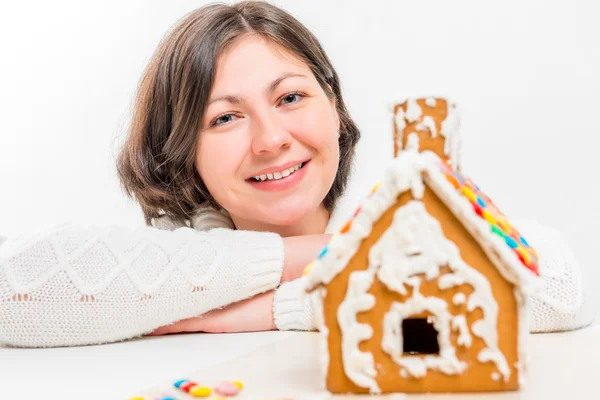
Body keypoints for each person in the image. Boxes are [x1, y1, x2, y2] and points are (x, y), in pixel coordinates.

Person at [0, 1, 592, 348]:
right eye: (225, 117)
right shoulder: (165, 268)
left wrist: (267, 312)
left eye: (289, 98)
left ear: (333, 107)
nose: (271, 139)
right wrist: (343, 255)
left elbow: (559, 291)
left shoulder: (405, 206)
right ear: (180, 151)